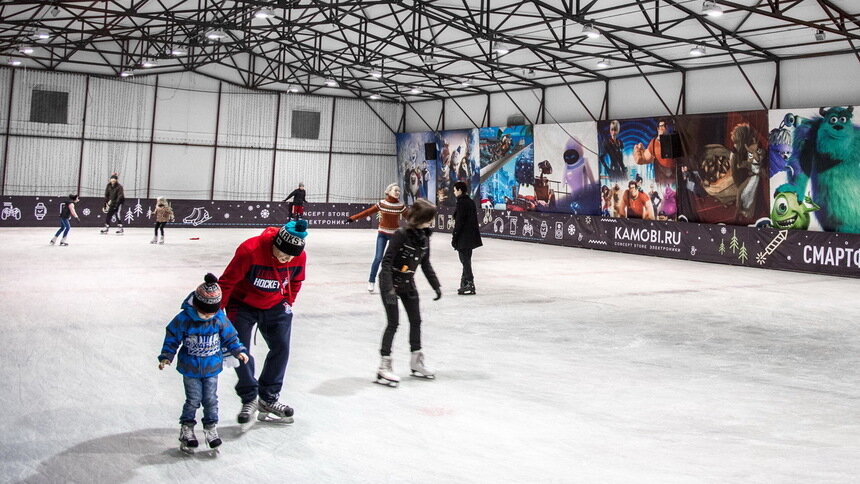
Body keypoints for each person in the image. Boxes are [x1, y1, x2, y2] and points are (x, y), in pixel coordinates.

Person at [218, 219, 308, 425]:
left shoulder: (299, 256)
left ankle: (268, 398)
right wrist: (217, 315)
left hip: (276, 303)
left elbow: (296, 280)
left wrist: (288, 302)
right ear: (275, 243)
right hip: (242, 304)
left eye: (291, 256)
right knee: (239, 349)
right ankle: (249, 396)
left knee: (281, 348)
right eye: (283, 254)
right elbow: (227, 281)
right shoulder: (250, 249)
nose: (286, 259)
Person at [157, 274, 249, 453]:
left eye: (211, 312)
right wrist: (166, 356)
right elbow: (172, 336)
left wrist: (238, 351)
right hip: (190, 369)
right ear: (197, 305)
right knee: (193, 400)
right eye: (204, 312)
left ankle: (211, 428)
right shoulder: (184, 319)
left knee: (211, 400)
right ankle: (187, 429)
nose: (208, 316)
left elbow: (230, 336)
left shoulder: (219, 319)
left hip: (212, 368)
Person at [375, 198, 442, 387]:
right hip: (391, 282)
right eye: (430, 218)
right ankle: (384, 366)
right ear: (421, 217)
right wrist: (389, 289)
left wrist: (436, 285)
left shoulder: (425, 236)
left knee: (416, 321)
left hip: (407, 283)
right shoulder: (401, 234)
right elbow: (386, 262)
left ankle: (416, 361)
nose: (432, 222)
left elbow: (425, 263)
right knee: (393, 323)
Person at [345, 183, 407, 293]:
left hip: (394, 236)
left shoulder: (400, 206)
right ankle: (371, 281)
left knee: (394, 260)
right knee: (378, 258)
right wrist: (353, 218)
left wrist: (423, 223)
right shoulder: (382, 204)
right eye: (395, 190)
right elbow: (367, 212)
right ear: (388, 191)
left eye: (399, 191)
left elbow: (411, 217)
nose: (398, 192)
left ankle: (394, 284)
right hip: (382, 234)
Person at [451, 181, 483, 295]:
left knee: (465, 261)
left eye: (455, 190)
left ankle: (469, 282)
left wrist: (454, 238)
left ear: (459, 190)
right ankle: (464, 282)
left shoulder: (462, 203)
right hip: (470, 237)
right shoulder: (470, 202)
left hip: (464, 237)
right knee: (466, 260)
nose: (454, 192)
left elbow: (459, 222)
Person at [633, 118, 675, 185]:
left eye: (665, 126)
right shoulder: (654, 143)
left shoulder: (675, 141)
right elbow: (645, 158)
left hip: (677, 180)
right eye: (661, 126)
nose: (663, 128)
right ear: (658, 128)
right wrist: (640, 156)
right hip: (661, 182)